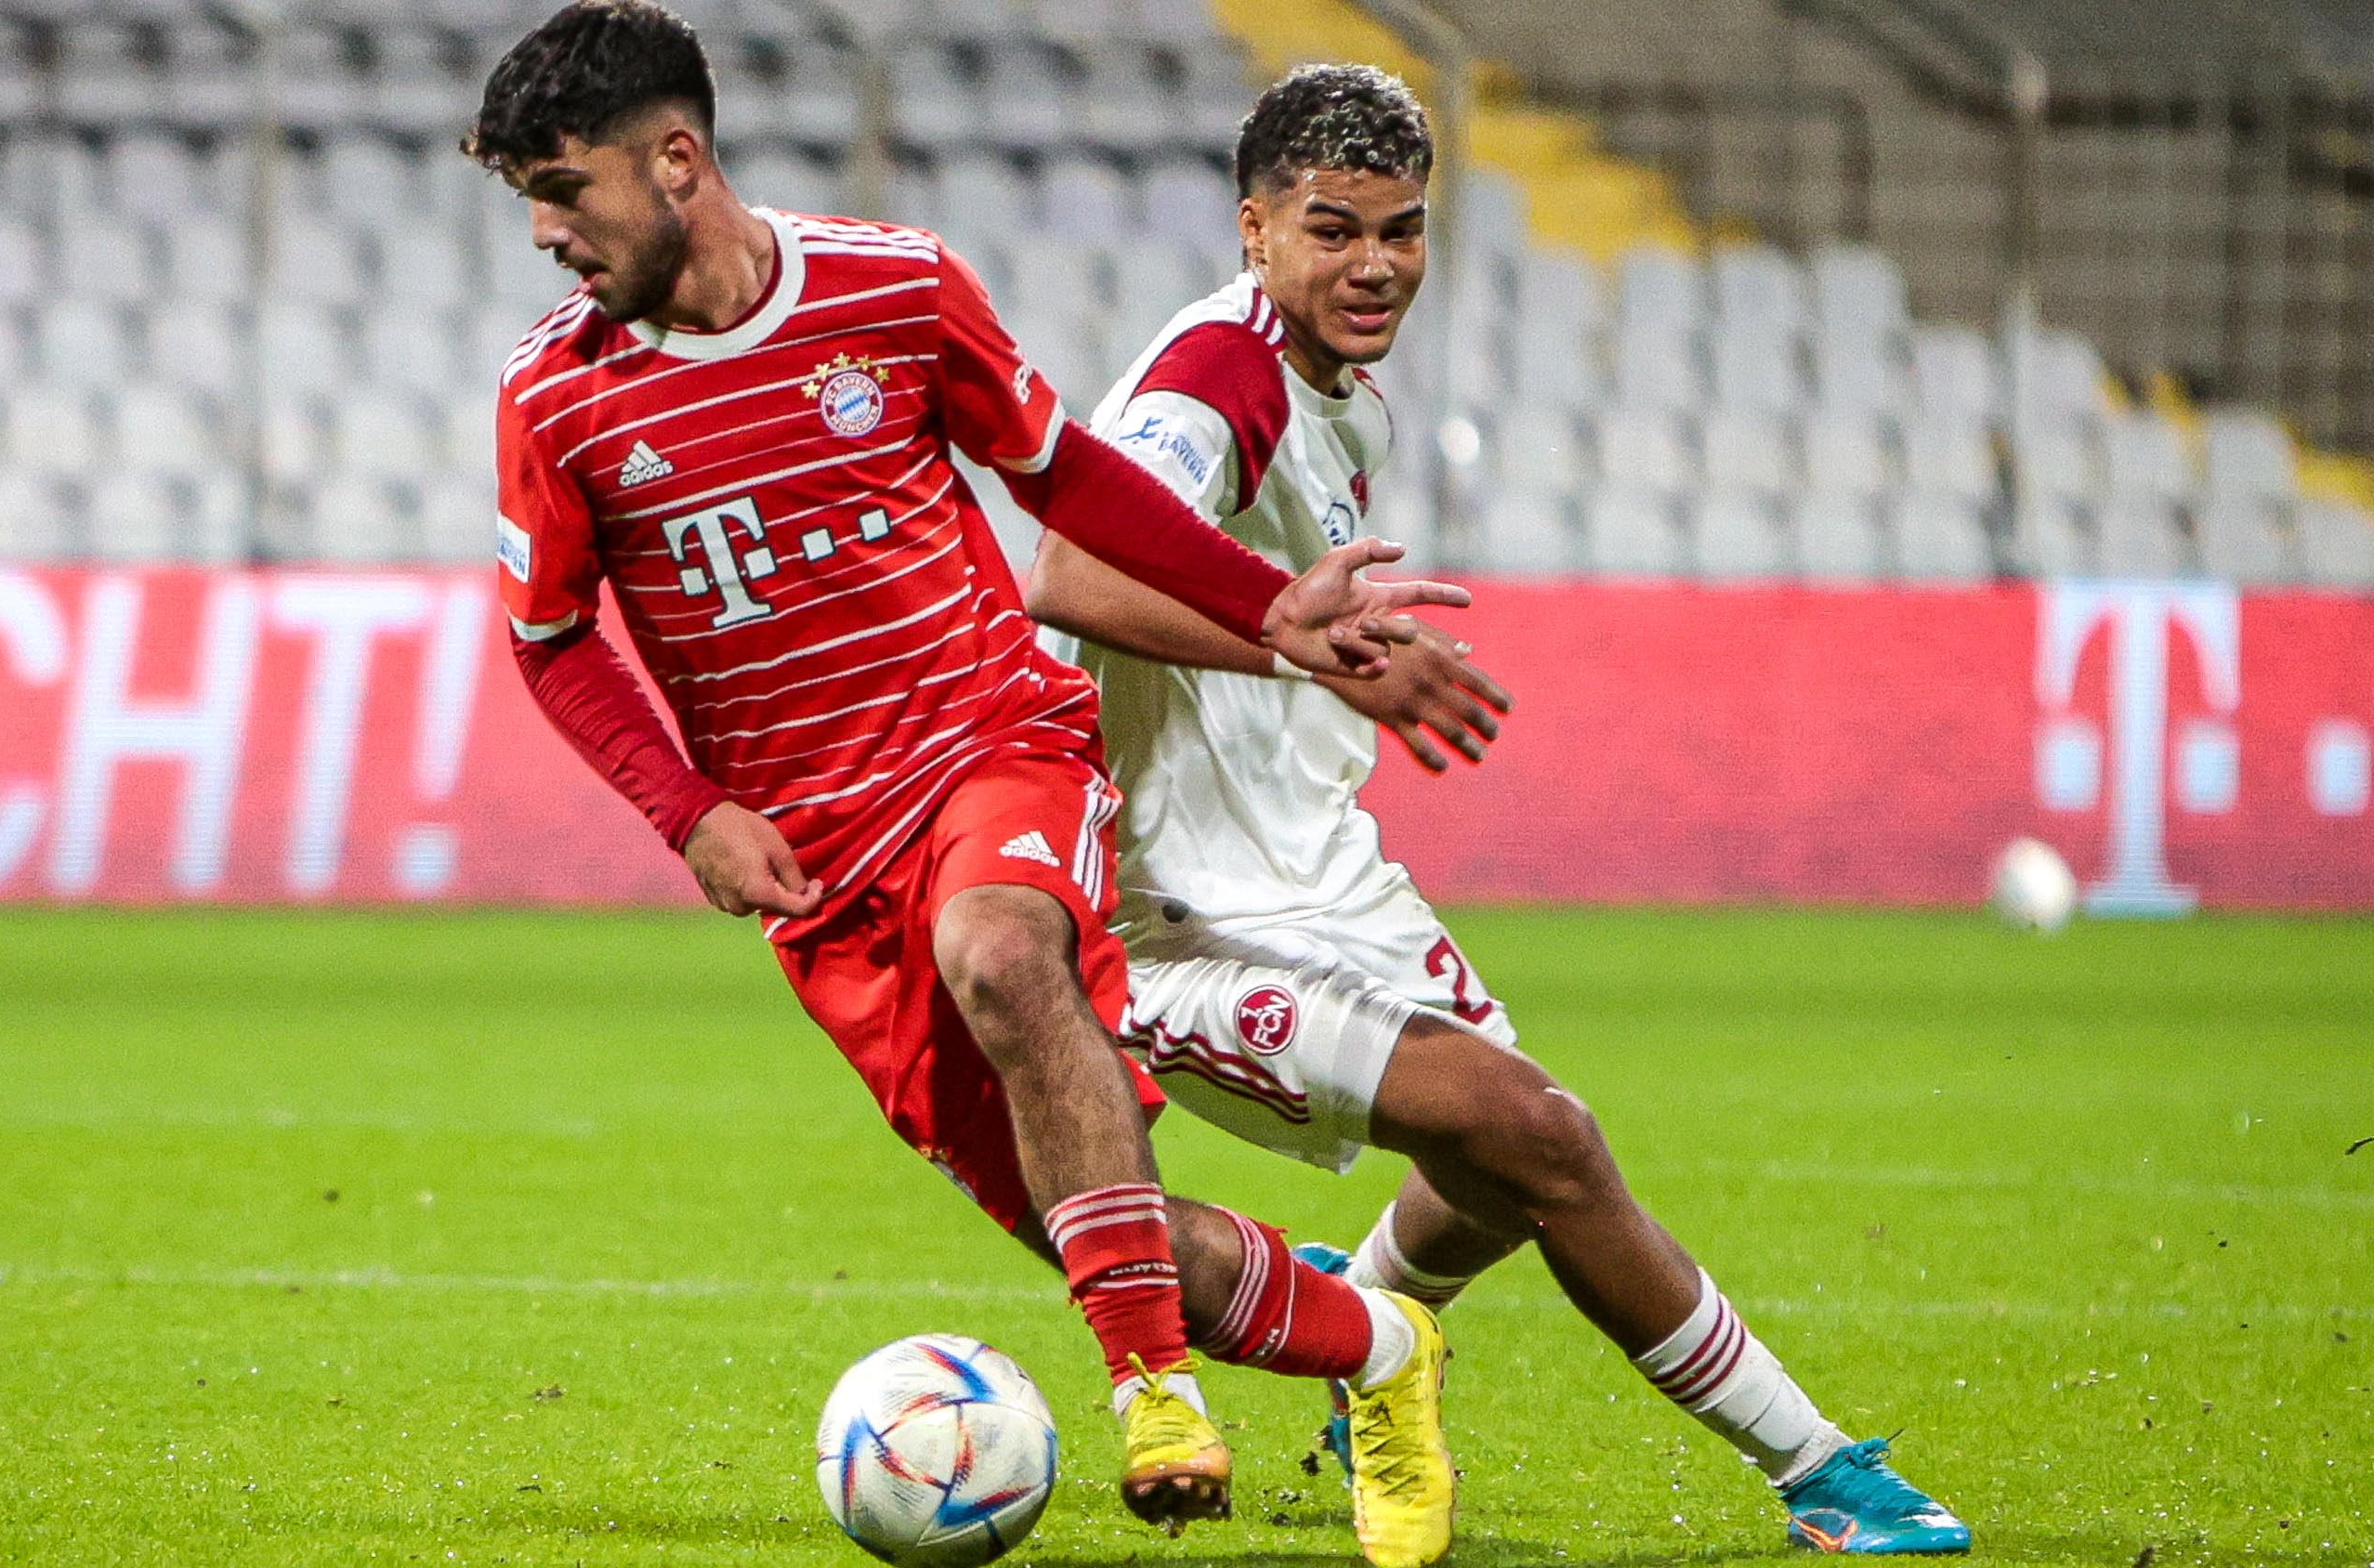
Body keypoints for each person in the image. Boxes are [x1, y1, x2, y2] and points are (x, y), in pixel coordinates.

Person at [467, 6, 1459, 1559]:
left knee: (1000, 950)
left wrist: (1263, 606)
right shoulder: (557, 398)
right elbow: (548, 641)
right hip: (818, 867)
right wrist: (691, 811)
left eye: (562, 189)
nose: (544, 232)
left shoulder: (893, 284)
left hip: (990, 745)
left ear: (676, 161)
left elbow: (1060, 472)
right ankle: (1384, 1350)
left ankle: (1153, 1399)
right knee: (1102, 1232)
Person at [1029, 61, 1974, 1557]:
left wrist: (1322, 648)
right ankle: (1823, 1478)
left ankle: (1371, 1322)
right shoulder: (1220, 377)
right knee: (1547, 1143)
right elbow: (1070, 573)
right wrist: (1294, 633)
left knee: (1494, 1171)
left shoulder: (1347, 403)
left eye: (1402, 230)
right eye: (1331, 229)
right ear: (1254, 227)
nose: (1375, 264)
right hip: (1175, 924)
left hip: (1317, 875)